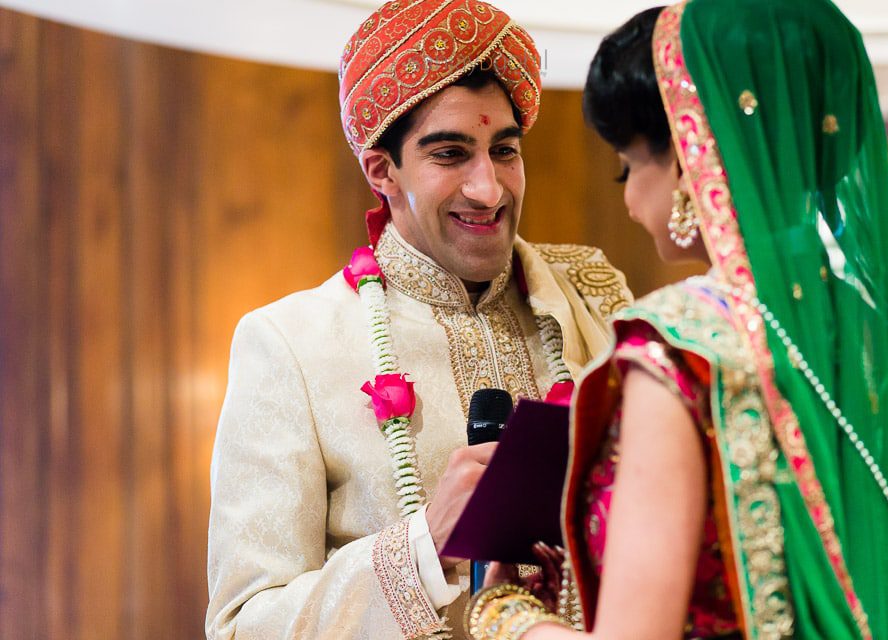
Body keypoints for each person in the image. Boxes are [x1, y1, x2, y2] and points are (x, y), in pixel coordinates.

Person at [464, 1, 888, 638]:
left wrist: (507, 615)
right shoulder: (869, 334)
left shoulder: (679, 348)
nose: (631, 198)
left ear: (693, 155)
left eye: (629, 165)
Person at [204, 1, 633, 638]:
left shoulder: (595, 299)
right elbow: (242, 627)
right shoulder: (290, 344)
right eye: (451, 154)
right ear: (382, 171)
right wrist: (424, 545)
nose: (488, 189)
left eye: (504, 150)